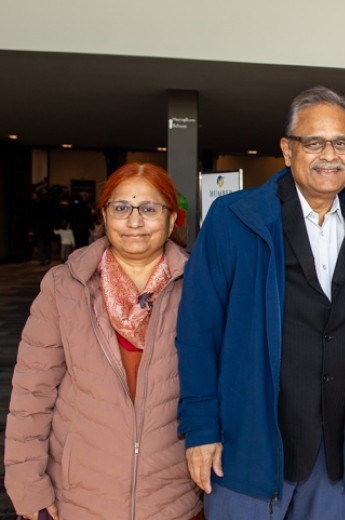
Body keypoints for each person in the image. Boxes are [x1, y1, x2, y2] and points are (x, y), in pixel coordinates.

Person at [176, 86, 345, 520]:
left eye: (341, 143)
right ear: (288, 150)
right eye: (314, 142)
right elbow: (197, 334)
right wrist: (200, 429)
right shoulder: (234, 219)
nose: (329, 154)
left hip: (335, 456)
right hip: (248, 447)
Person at [5, 163, 202, 520]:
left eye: (149, 208)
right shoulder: (64, 286)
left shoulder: (199, 287)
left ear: (173, 220)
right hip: (79, 499)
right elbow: (31, 394)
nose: (134, 221)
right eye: (121, 207)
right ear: (104, 216)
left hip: (173, 496)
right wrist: (27, 485)